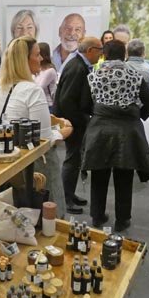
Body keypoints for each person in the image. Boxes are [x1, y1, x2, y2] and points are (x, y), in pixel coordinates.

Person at [0, 35, 72, 216]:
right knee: (49, 215)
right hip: (37, 164)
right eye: (37, 54)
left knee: (19, 215)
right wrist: (65, 131)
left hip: (12, 159)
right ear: (24, 60)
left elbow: (7, 120)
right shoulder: (32, 90)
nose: (41, 58)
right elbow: (44, 140)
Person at [81, 39, 149, 232]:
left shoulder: (93, 76)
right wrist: (135, 117)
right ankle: (122, 220)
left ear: (104, 55)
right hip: (127, 132)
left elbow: (84, 104)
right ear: (124, 55)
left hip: (100, 130)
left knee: (99, 174)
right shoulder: (134, 76)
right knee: (124, 176)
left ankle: (97, 216)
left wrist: (99, 113)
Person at [53, 36, 103, 214]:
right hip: (72, 122)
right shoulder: (78, 68)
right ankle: (66, 199)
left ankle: (69, 194)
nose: (101, 54)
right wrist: (82, 121)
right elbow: (67, 101)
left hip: (73, 120)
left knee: (74, 160)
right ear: (90, 50)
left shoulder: (78, 64)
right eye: (99, 50)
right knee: (72, 160)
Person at [33, 42, 57, 111]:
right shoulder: (38, 69)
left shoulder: (50, 71)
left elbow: (39, 87)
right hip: (37, 103)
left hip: (48, 105)